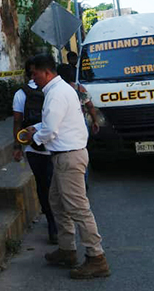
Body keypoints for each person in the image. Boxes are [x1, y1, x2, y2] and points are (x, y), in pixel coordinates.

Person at [24, 53, 110, 279]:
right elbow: (54, 123)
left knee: (78, 208)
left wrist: (35, 138)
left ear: (46, 73)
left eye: (35, 74)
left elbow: (51, 130)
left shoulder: (56, 94)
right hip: (65, 155)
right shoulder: (59, 91)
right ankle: (67, 250)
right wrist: (37, 128)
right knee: (58, 203)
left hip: (68, 157)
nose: (33, 79)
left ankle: (96, 257)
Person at [12, 59, 58, 244]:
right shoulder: (54, 90)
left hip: (34, 148)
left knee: (43, 185)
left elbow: (17, 121)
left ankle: (51, 222)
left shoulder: (20, 94)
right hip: (55, 146)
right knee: (56, 185)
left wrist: (17, 146)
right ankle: (58, 222)